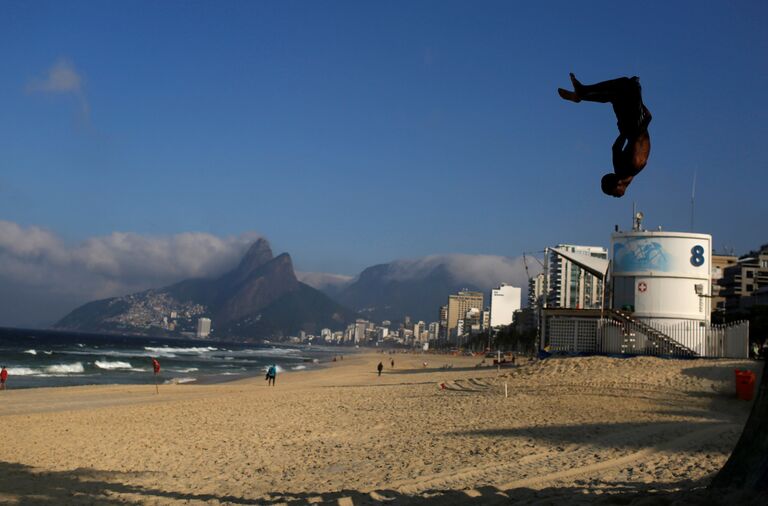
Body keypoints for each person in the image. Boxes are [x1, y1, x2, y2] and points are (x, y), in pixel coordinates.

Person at [558, 73, 652, 198]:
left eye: (613, 194)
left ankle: (581, 93)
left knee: (623, 87)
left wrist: (624, 133)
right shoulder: (627, 174)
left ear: (617, 185)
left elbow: (616, 148)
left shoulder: (622, 170)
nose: (616, 197)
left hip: (633, 125)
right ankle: (581, 94)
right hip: (635, 126)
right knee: (617, 93)